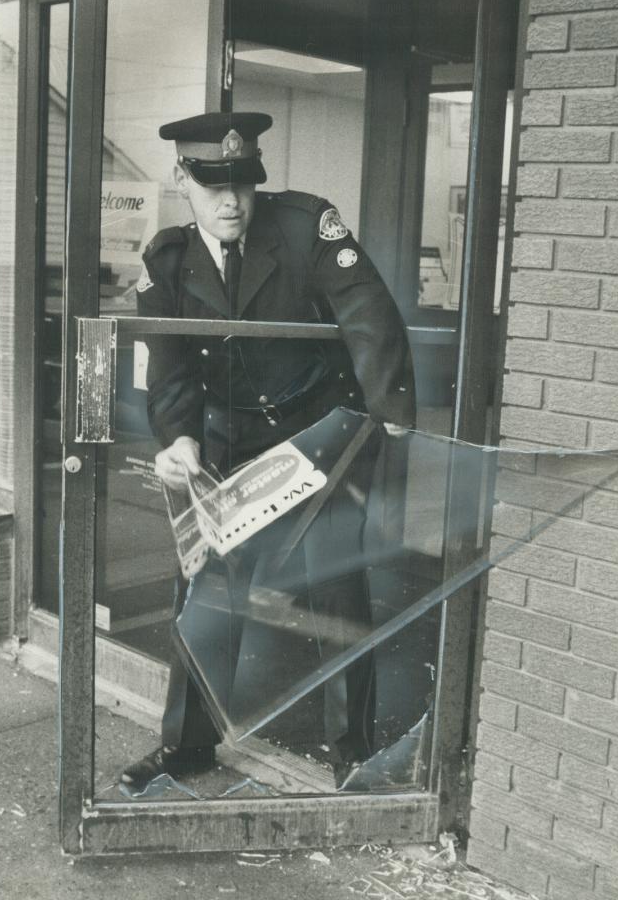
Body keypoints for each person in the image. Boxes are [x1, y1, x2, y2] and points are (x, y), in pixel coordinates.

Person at [120, 111, 416, 792]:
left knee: (335, 589)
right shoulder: (167, 259)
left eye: (244, 184)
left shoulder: (304, 226)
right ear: (181, 179)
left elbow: (366, 310)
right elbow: (167, 364)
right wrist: (179, 439)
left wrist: (388, 410)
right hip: (231, 440)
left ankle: (352, 758)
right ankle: (188, 745)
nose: (231, 201)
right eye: (212, 184)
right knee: (206, 587)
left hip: (319, 436)